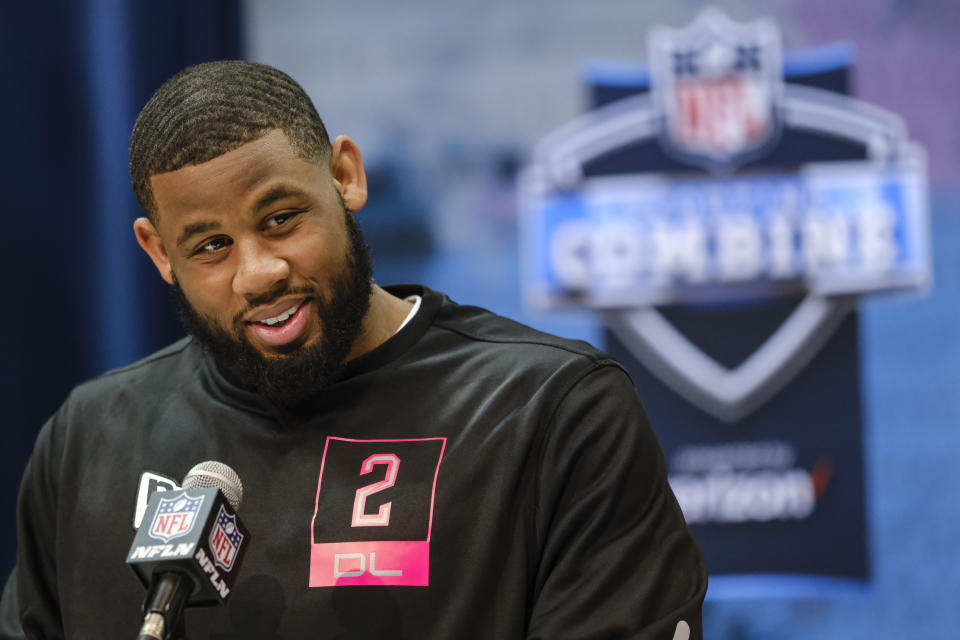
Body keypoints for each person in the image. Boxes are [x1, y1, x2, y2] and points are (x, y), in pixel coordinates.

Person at [2, 60, 706, 639]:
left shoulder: (552, 412)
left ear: (345, 176)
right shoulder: (88, 441)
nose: (259, 272)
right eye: (211, 246)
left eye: (281, 220)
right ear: (158, 251)